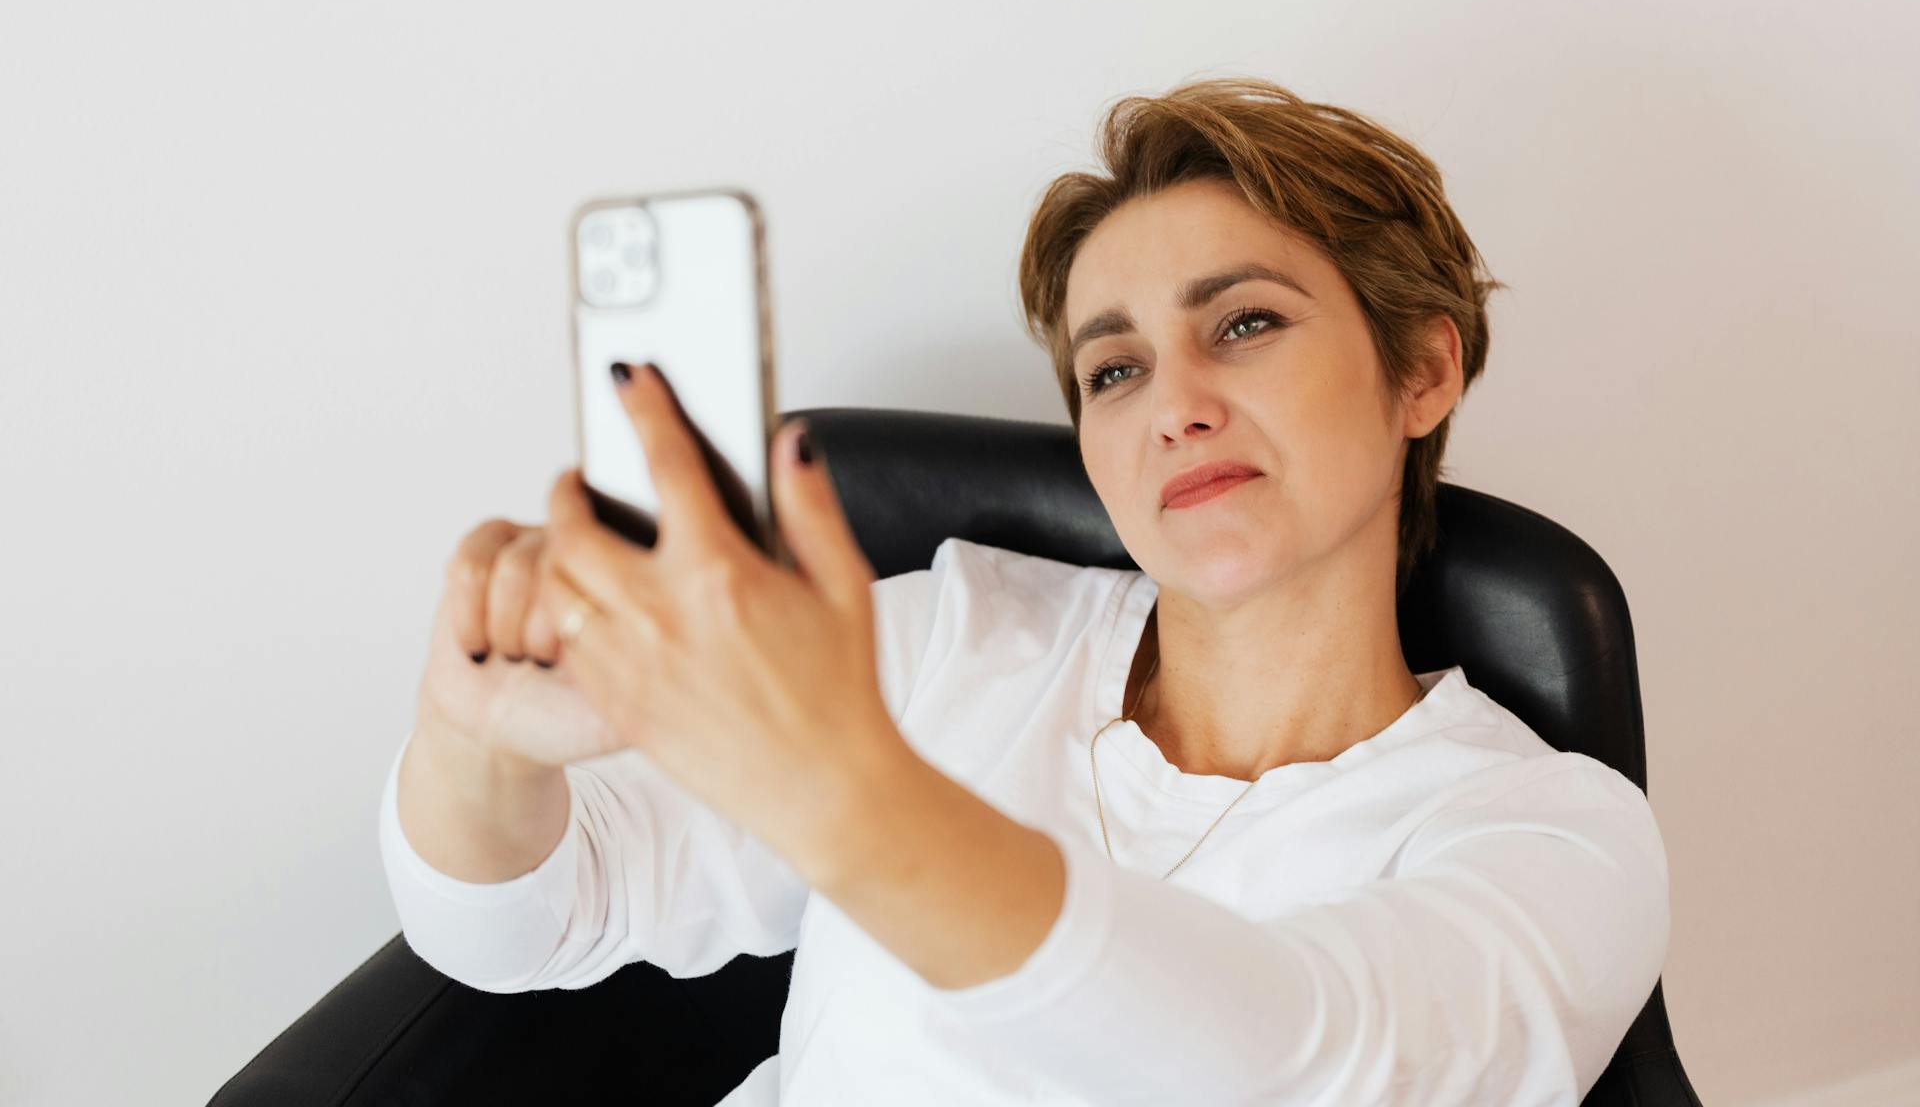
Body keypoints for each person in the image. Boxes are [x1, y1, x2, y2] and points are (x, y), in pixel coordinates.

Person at [380, 77, 1670, 1104]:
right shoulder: (955, 637)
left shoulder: (1553, 836)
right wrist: (475, 737)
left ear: (1422, 373)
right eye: (1114, 371)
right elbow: (524, 927)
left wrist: (855, 807)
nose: (1176, 406)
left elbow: (1314, 1065)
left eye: (1245, 324)